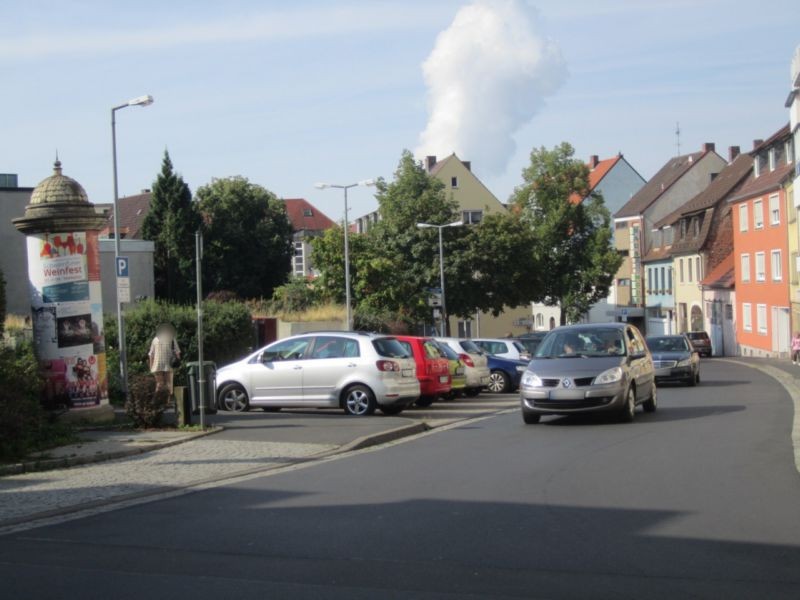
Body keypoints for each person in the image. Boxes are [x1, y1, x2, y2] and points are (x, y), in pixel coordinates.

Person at [148, 323, 181, 395]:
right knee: (169, 384)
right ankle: (167, 402)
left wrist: (151, 367)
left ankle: (158, 401)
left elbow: (151, 354)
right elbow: (177, 352)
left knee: (159, 384)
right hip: (169, 364)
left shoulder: (155, 339)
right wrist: (177, 364)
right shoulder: (172, 339)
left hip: (157, 365)